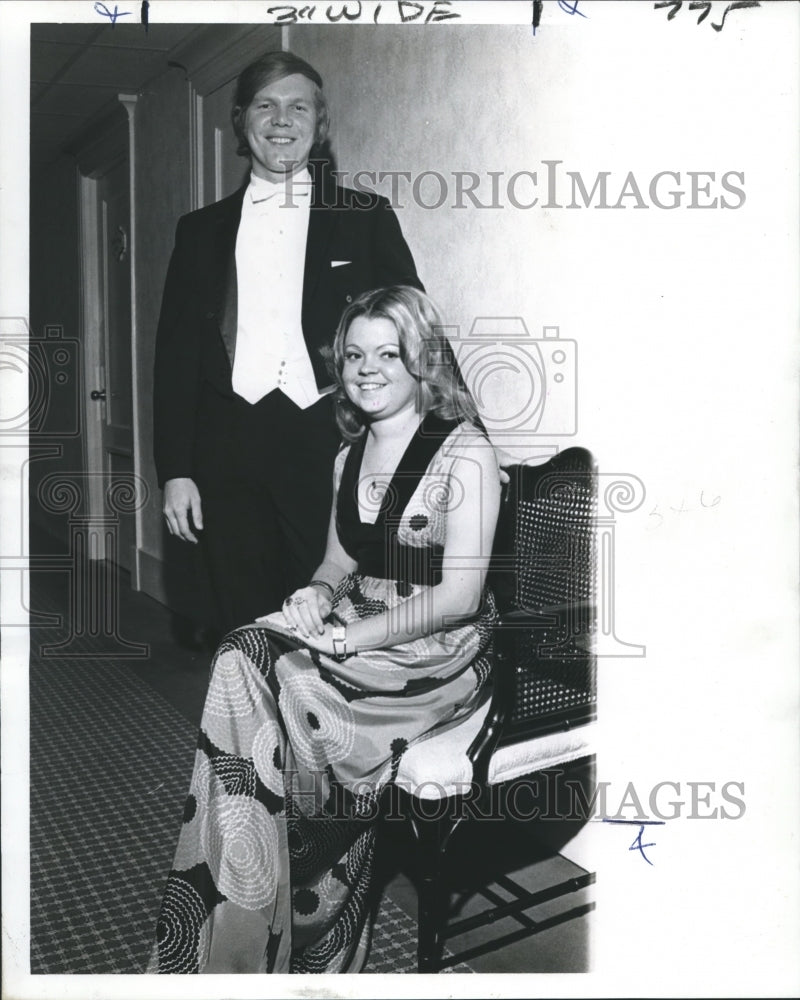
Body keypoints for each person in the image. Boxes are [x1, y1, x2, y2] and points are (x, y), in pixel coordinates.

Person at [148, 286, 502, 974]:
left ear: (422, 359)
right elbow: (341, 560)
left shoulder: (467, 453)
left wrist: (343, 640)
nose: (367, 369)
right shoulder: (348, 455)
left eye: (388, 353)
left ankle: (298, 900)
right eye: (353, 354)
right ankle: (252, 905)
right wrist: (315, 592)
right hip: (363, 626)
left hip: (436, 655)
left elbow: (459, 597)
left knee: (277, 681)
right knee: (243, 651)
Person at [153, 51, 422, 634]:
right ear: (241, 121)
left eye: (298, 106)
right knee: (244, 622)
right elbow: (174, 356)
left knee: (331, 615)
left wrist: (456, 433)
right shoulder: (198, 233)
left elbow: (414, 330)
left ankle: (321, 726)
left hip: (328, 439)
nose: (282, 119)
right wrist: (175, 470)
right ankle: (254, 726)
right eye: (266, 105)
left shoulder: (364, 216)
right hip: (224, 451)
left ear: (319, 124)